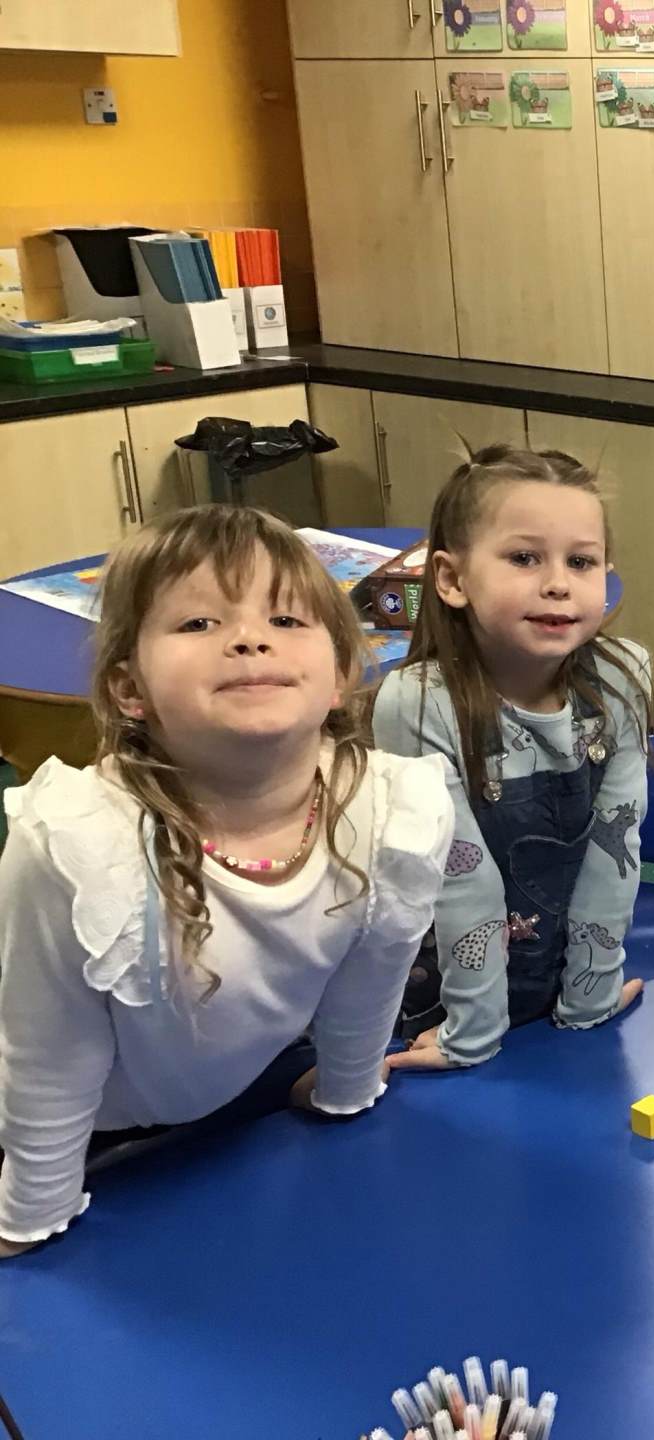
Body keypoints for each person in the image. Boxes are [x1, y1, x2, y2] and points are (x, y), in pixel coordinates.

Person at [0, 506, 453, 1256]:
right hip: (72, 1131)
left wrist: (344, 1091)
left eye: (286, 618)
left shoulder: (393, 810)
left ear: (342, 674)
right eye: (198, 624)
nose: (249, 638)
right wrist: (31, 1215)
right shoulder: (79, 847)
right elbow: (49, 1053)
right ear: (130, 689)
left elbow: (372, 973)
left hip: (235, 1087)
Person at [375, 446, 651, 1069]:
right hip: (449, 996)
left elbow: (615, 852)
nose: (558, 582)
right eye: (524, 558)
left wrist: (591, 995)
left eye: (581, 561)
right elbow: (460, 881)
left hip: (561, 975)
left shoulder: (622, 678)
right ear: (452, 579)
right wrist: (471, 1034)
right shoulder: (418, 704)